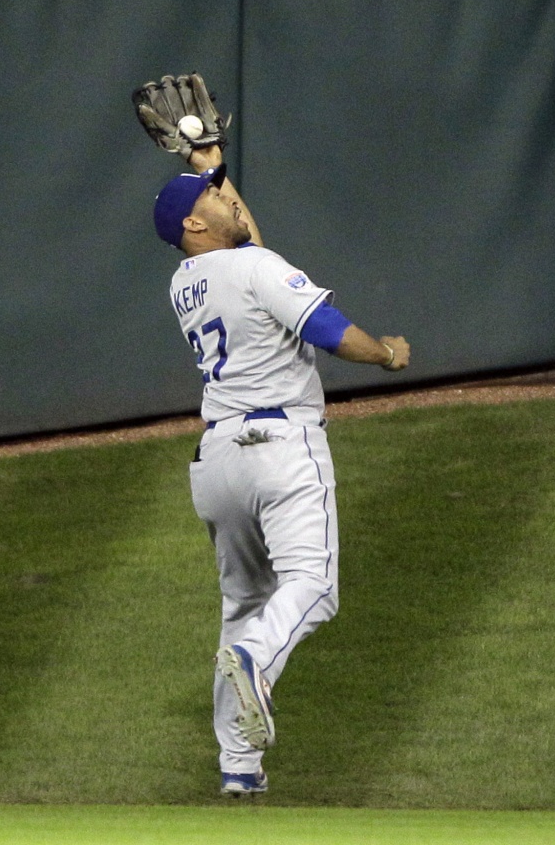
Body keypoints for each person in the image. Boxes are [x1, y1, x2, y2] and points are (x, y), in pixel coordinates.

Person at [153, 140, 410, 797]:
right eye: (214, 197)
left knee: (244, 602)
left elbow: (246, 244)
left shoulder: (187, 281)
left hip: (216, 462)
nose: (228, 202)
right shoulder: (252, 267)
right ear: (193, 224)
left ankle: (238, 767)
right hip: (280, 447)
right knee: (312, 588)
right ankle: (255, 661)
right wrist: (383, 354)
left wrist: (212, 167)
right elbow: (325, 327)